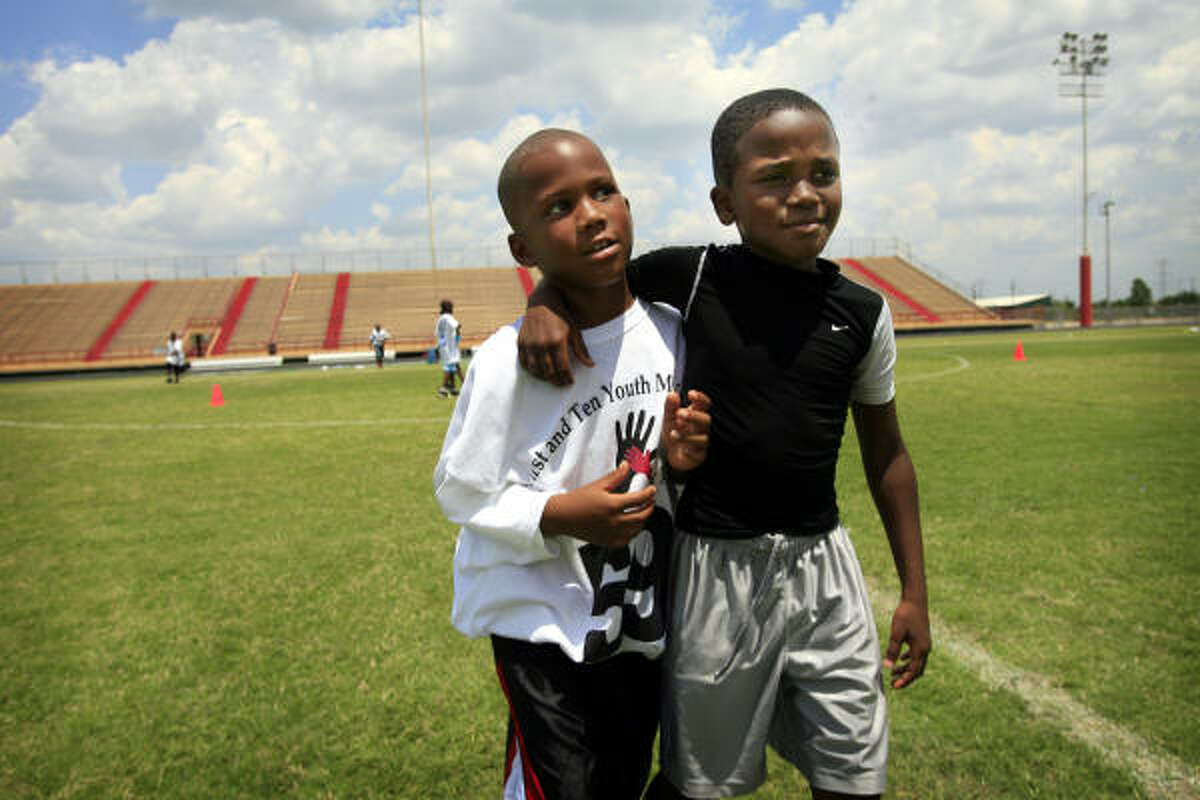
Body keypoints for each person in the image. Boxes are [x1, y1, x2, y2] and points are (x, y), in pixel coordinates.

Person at [517, 90, 931, 800]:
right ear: (725, 202)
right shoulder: (694, 275)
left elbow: (887, 453)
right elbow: (593, 277)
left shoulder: (864, 313)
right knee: (704, 784)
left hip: (825, 571)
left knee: (856, 773)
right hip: (716, 570)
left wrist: (915, 592)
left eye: (823, 174)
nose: (805, 196)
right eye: (774, 178)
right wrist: (543, 302)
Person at [434, 128, 712, 800]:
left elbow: (671, 466)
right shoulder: (510, 360)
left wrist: (681, 458)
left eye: (603, 191)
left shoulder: (674, 332)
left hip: (635, 617)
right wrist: (562, 513)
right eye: (559, 208)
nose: (591, 215)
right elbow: (459, 492)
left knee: (619, 776)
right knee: (565, 788)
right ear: (522, 249)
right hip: (539, 625)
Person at [435, 299, 464, 396]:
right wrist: (458, 337)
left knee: (455, 365)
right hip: (449, 346)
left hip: (444, 345)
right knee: (450, 366)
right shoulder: (448, 317)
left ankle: (453, 387)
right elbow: (457, 326)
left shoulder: (441, 318)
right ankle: (442, 389)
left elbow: (438, 333)